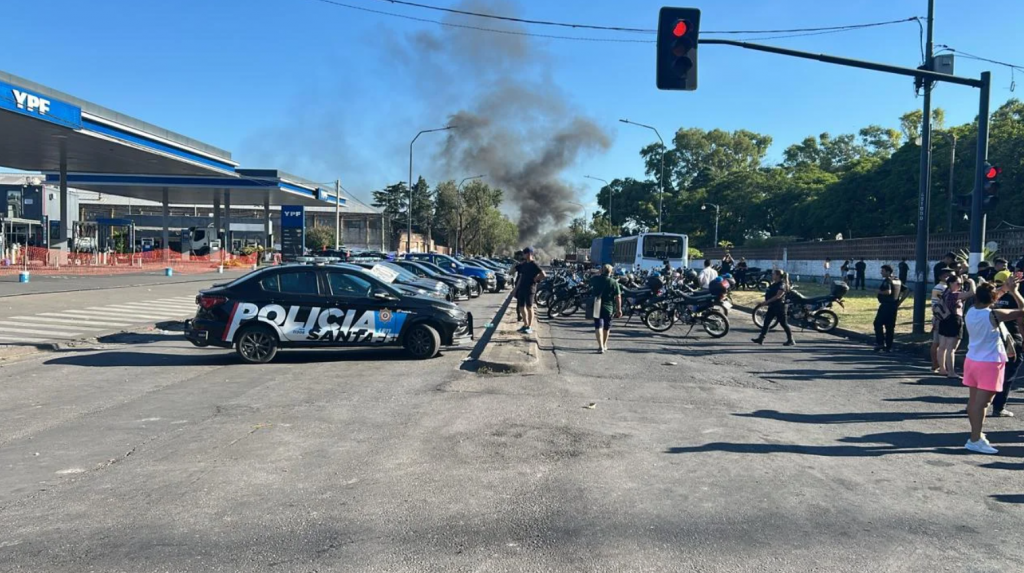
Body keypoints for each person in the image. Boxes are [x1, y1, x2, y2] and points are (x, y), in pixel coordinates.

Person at [962, 278, 1024, 454]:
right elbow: (1023, 310)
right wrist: (1014, 291)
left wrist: (1005, 288)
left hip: (972, 360)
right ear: (993, 299)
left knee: (973, 402)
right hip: (990, 363)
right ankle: (974, 439)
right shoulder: (994, 314)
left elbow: (990, 296)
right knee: (982, 404)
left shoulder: (971, 311)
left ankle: (976, 436)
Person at [991, 270, 1022, 417]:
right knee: (1007, 375)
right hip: (1012, 340)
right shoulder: (1015, 298)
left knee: (989, 374)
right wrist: (1014, 291)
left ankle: (978, 402)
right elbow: (1022, 314)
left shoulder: (992, 298)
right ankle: (999, 406)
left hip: (994, 340)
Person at [936, 274, 973, 377]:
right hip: (954, 320)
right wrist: (971, 282)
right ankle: (951, 372)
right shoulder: (954, 295)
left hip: (944, 319)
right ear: (951, 283)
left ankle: (942, 369)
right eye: (958, 283)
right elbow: (971, 293)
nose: (960, 285)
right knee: (951, 348)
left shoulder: (945, 293)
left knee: (942, 346)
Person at [752, 270, 795, 347]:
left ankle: (791, 340)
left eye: (774, 274)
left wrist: (766, 302)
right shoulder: (774, 283)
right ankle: (761, 338)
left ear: (778, 275)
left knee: (784, 324)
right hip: (772, 306)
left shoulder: (782, 284)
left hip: (779, 307)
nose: (772, 275)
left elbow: (778, 296)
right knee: (766, 322)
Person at [589, 264, 622, 354]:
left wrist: (598, 273)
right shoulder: (614, 282)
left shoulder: (595, 279)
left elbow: (590, 277)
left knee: (598, 326)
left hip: (597, 305)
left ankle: (600, 347)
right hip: (609, 307)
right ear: (611, 272)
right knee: (606, 327)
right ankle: (604, 344)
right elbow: (618, 297)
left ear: (602, 271)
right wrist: (619, 309)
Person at [513, 247, 545, 335]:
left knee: (529, 307)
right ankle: (525, 324)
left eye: (525, 253)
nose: (523, 255)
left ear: (530, 254)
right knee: (521, 307)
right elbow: (520, 276)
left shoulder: (534, 264)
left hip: (530, 288)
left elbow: (543, 274)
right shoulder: (524, 264)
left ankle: (529, 326)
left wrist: (536, 279)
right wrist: (515, 289)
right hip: (522, 288)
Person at [873, 265, 902, 353]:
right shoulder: (897, 280)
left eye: (883, 271)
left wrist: (879, 292)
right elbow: (907, 290)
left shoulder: (888, 281)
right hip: (893, 306)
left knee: (877, 323)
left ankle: (880, 343)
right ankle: (889, 346)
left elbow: (888, 291)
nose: (881, 272)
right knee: (890, 327)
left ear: (888, 272)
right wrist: (899, 301)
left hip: (886, 306)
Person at [930, 266, 953, 372]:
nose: (949, 277)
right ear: (941, 277)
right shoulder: (941, 288)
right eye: (947, 275)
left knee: (939, 343)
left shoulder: (942, 287)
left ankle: (938, 364)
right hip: (940, 317)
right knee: (938, 343)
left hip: (940, 316)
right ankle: (935, 364)